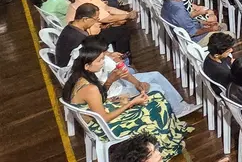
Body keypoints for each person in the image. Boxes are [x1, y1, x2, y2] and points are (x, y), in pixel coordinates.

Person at [62, 46, 190, 159]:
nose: (103, 63)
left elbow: (99, 99)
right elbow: (104, 118)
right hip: (105, 127)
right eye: (99, 60)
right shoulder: (90, 88)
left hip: (99, 116)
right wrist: (131, 103)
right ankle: (163, 146)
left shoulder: (81, 78)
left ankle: (168, 137)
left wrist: (110, 82)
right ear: (87, 66)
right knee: (153, 107)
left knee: (156, 97)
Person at [65, 0, 133, 56]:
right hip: (87, 38)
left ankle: (118, 52)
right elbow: (107, 18)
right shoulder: (83, 4)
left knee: (119, 23)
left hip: (96, 28)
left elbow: (107, 8)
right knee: (122, 31)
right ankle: (122, 57)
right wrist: (128, 16)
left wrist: (126, 14)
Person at [161, 0, 228, 45]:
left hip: (190, 30)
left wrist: (205, 23)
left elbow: (187, 19)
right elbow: (193, 33)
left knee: (223, 26)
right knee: (230, 36)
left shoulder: (166, 3)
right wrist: (211, 29)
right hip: (195, 40)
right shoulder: (179, 11)